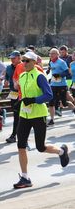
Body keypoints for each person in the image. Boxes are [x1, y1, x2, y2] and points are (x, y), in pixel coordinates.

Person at [13, 51, 69, 189]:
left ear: (34, 62)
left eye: (27, 61)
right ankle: (25, 177)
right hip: (24, 115)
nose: (24, 63)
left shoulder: (39, 76)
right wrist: (20, 101)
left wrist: (33, 100)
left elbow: (49, 96)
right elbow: (24, 94)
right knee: (20, 145)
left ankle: (61, 151)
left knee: (40, 147)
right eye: (23, 60)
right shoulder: (22, 75)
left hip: (38, 115)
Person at [47, 48, 75, 126]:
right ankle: (51, 120)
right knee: (51, 102)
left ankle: (74, 109)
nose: (51, 55)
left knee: (64, 103)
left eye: (52, 53)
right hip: (53, 85)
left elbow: (67, 73)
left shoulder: (61, 62)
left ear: (57, 54)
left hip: (62, 85)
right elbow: (52, 69)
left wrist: (59, 76)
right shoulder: (51, 62)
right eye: (50, 54)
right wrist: (49, 73)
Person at [5, 51, 21, 143]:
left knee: (22, 115)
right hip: (13, 93)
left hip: (23, 93)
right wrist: (6, 81)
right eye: (11, 58)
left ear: (19, 58)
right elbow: (7, 77)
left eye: (14, 58)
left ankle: (16, 135)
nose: (12, 60)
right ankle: (14, 135)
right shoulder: (8, 68)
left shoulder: (24, 66)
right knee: (16, 114)